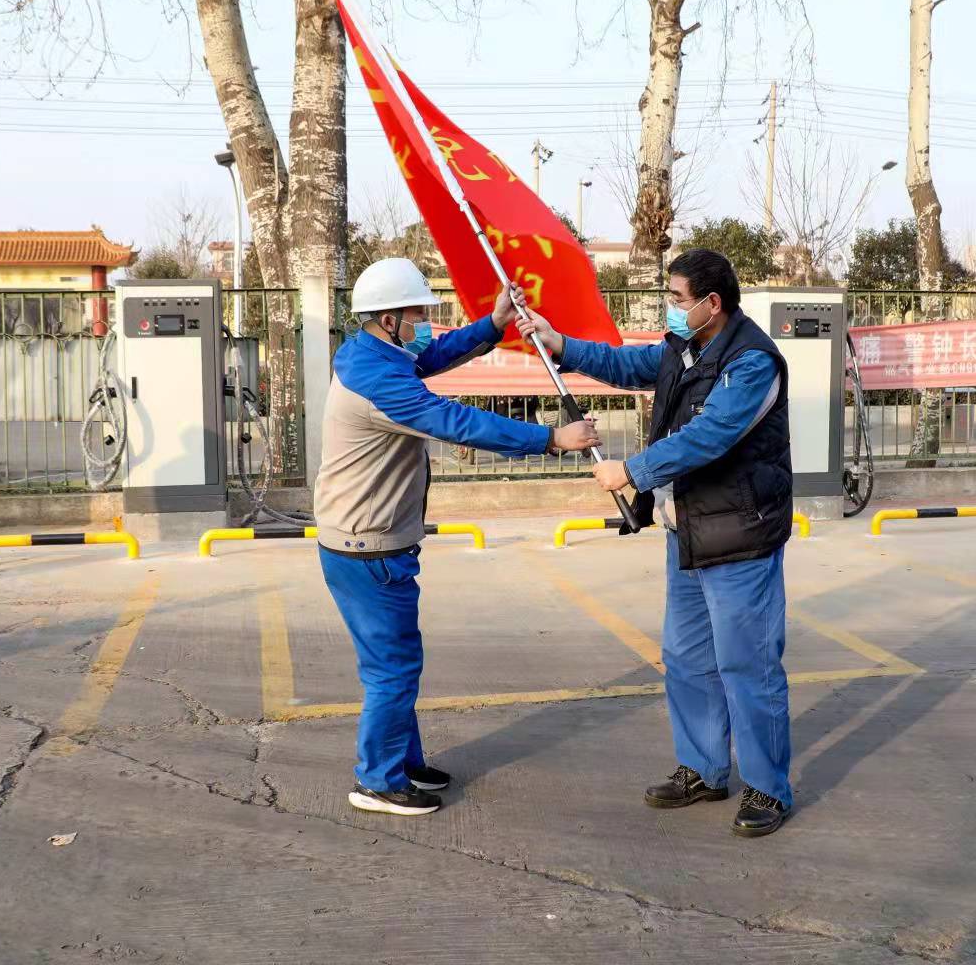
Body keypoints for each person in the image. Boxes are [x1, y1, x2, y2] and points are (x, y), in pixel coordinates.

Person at [517, 248, 795, 838]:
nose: (669, 310)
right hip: (687, 531)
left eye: (676, 300)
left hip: (740, 537)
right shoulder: (684, 348)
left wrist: (633, 470)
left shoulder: (752, 364)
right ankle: (703, 769)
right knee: (688, 660)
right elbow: (630, 365)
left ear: (711, 304)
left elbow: (709, 436)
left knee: (748, 665)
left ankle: (768, 789)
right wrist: (559, 344)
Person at [314, 257, 600, 817]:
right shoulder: (379, 381)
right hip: (367, 547)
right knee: (391, 668)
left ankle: (402, 761)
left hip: (368, 540)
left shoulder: (370, 353)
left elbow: (433, 356)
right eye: (417, 313)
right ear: (390, 317)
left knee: (398, 662)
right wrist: (551, 438)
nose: (424, 323)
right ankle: (376, 779)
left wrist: (492, 325)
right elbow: (457, 422)